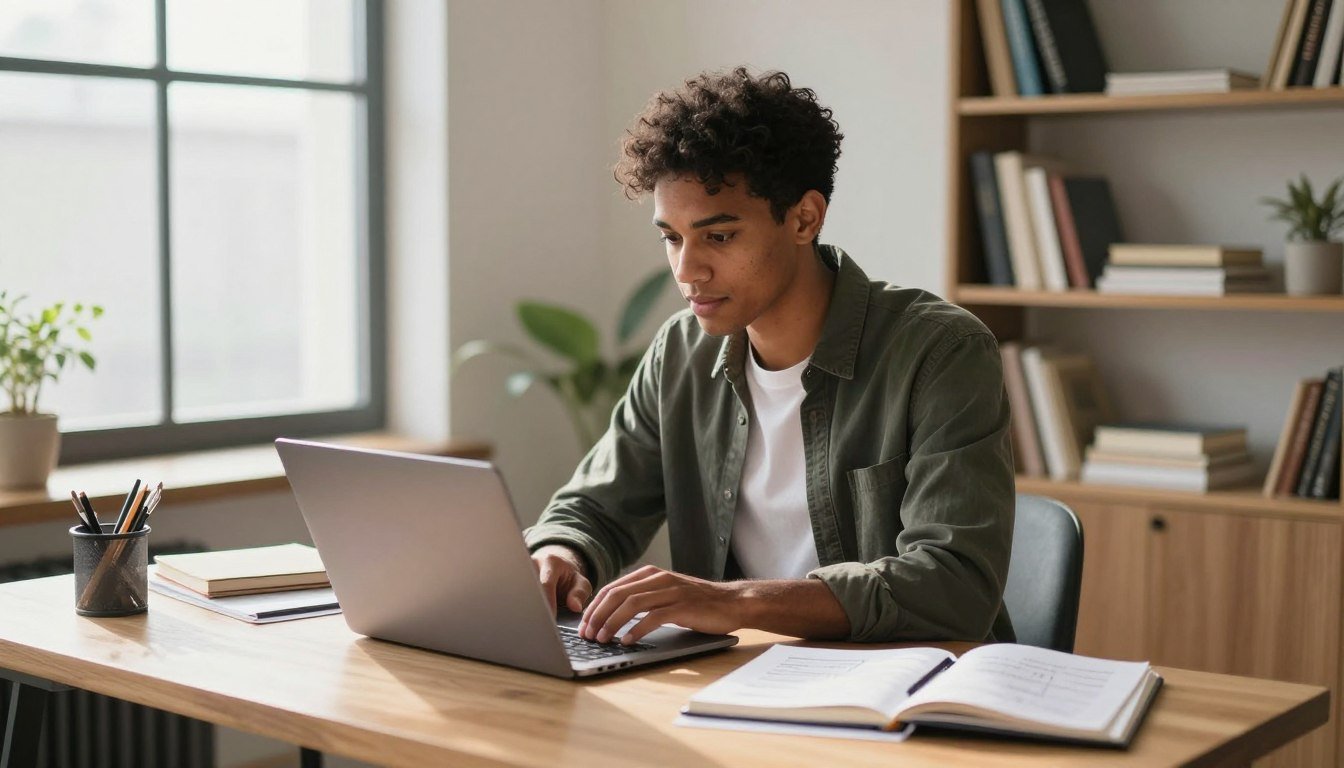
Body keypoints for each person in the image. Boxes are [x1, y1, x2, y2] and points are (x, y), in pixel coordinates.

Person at [524, 67, 1015, 647]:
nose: (687, 271)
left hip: (907, 691)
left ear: (804, 218)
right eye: (671, 237)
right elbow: (594, 509)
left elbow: (952, 586)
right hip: (742, 685)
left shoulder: (941, 353)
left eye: (720, 236)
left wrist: (734, 601)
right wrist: (560, 553)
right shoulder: (680, 351)